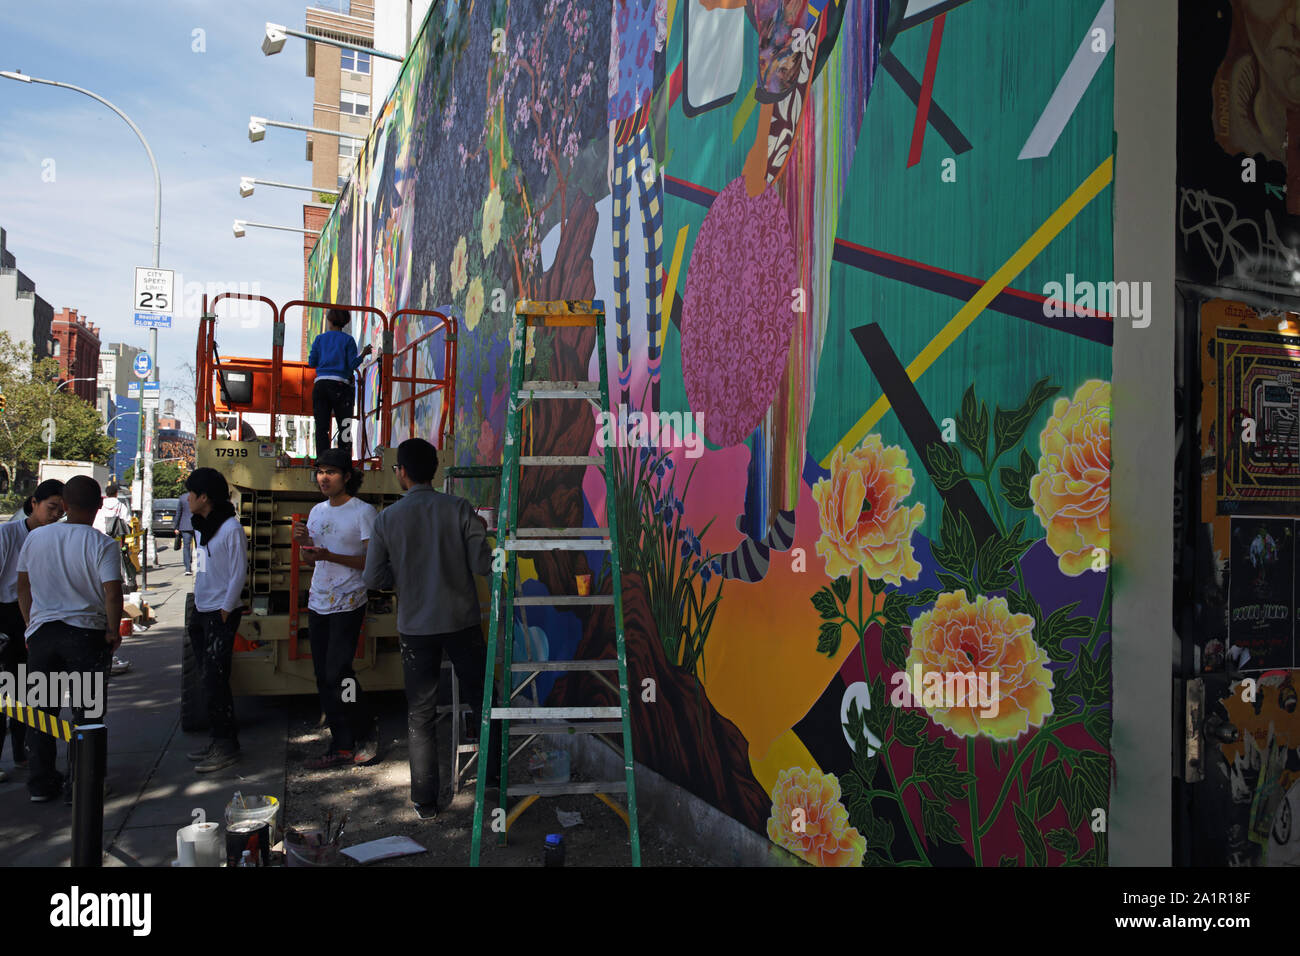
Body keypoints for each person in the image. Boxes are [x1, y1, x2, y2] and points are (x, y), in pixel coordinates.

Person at [363, 438, 499, 819]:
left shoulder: (387, 519)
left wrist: (403, 575)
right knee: (483, 698)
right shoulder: (458, 508)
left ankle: (425, 801)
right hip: (462, 621)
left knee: (420, 712)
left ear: (403, 472)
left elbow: (373, 576)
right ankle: (494, 778)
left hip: (416, 627)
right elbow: (482, 563)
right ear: (434, 470)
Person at [17, 476, 122, 803]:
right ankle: (82, 785)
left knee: (41, 712)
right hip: (85, 637)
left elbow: (22, 585)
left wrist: (30, 624)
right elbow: (112, 592)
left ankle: (41, 783)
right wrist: (112, 631)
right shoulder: (103, 544)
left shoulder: (36, 538)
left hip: (42, 636)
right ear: (100, 505)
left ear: (64, 504)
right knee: (87, 715)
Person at [293, 448, 379, 768]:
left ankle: (366, 729)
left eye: (330, 472)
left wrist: (330, 556)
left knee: (339, 672)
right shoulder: (317, 511)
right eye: (319, 472)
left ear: (346, 476)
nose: (323, 478)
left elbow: (371, 562)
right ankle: (341, 742)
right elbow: (311, 559)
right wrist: (305, 544)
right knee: (322, 675)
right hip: (319, 600)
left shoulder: (363, 512)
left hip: (349, 600)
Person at [184, 467, 248, 773]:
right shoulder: (201, 525)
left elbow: (238, 572)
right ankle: (216, 741)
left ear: (204, 497)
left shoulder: (230, 529)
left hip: (220, 612)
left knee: (216, 680)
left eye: (191, 493)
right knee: (207, 679)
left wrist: (225, 608)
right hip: (202, 609)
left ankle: (226, 746)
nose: (187, 499)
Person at [0, 480, 64, 782]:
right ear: (34, 502)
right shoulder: (8, 534)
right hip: (7, 617)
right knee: (5, 693)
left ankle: (26, 755)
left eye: (60, 511)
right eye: (51, 508)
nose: (55, 515)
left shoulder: (54, 539)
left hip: (38, 619)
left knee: (31, 693)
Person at [308, 307, 373, 459]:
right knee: (344, 426)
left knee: (322, 427)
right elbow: (352, 365)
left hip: (321, 385)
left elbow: (312, 362)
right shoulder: (348, 340)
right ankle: (343, 460)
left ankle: (322, 460)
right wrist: (363, 354)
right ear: (344, 322)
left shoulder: (319, 339)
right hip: (340, 386)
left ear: (329, 320)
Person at [174, 491, 194, 575]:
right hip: (198, 525)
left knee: (186, 547)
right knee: (201, 546)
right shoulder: (200, 496)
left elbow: (178, 513)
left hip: (185, 525)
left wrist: (176, 527)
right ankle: (201, 568)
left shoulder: (182, 497)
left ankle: (188, 568)